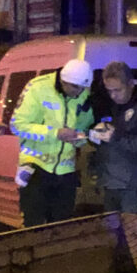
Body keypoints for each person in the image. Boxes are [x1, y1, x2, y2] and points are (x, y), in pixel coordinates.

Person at [10, 56, 93, 226]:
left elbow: (84, 126)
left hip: (65, 172)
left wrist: (82, 137)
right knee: (34, 226)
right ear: (64, 81)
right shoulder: (38, 88)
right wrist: (54, 133)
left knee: (62, 228)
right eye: (76, 88)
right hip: (36, 168)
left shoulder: (83, 93)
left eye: (83, 88)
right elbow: (17, 125)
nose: (79, 93)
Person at [91, 60, 137, 214]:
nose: (113, 95)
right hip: (112, 182)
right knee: (113, 234)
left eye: (117, 90)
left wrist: (115, 137)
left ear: (131, 84)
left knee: (133, 234)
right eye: (109, 90)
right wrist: (97, 135)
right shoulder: (112, 105)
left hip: (135, 185)